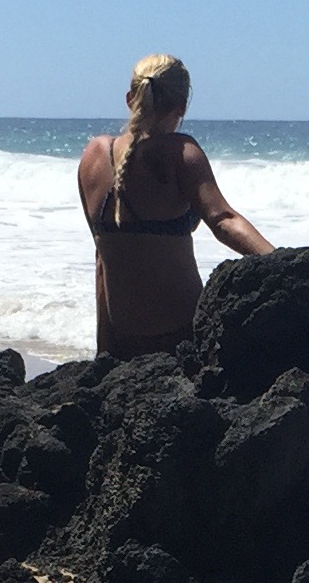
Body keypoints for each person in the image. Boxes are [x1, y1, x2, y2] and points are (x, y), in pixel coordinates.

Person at [77, 52, 273, 357]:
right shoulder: (181, 153)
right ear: (181, 107)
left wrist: (104, 355)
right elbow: (223, 220)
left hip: (124, 343)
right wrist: (285, 263)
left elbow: (103, 260)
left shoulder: (94, 155)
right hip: (184, 340)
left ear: (130, 99)